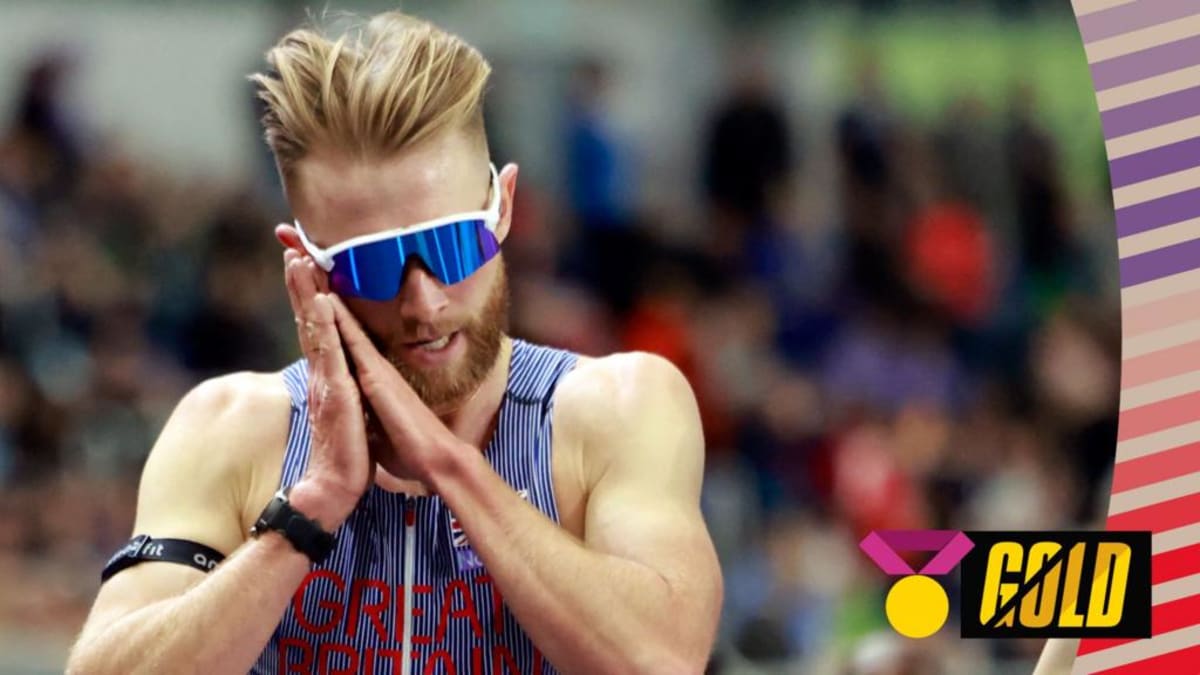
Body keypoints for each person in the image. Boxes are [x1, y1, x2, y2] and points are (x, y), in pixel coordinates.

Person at [65, 11, 722, 675]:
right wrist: (309, 508)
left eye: (451, 244)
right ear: (307, 263)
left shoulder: (617, 406)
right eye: (372, 264)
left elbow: (662, 659)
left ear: (505, 208)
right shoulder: (232, 428)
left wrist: (452, 465)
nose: (424, 302)